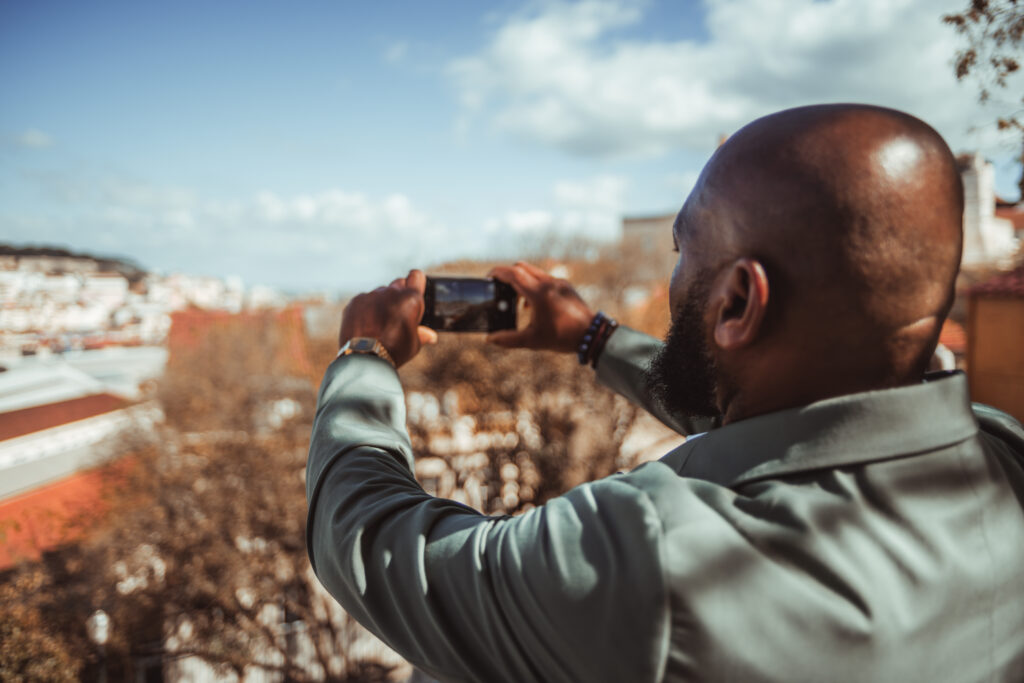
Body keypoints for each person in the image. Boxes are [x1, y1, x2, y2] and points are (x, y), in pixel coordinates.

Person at [306, 104, 1024, 682]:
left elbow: (376, 544)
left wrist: (363, 356)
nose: (676, 277)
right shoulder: (1000, 455)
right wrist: (593, 337)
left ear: (739, 301)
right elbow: (793, 426)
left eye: (684, 251)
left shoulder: (663, 562)